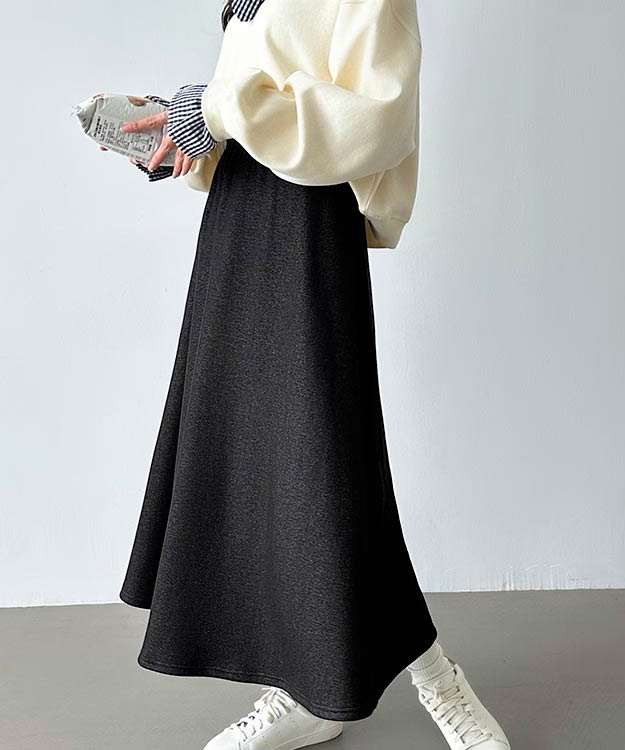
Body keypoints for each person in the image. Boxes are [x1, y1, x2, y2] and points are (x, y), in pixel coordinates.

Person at [116, 1, 511, 748]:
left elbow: (379, 118)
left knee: (328, 469)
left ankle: (437, 680)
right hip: (237, 215)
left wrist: (218, 107)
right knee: (263, 464)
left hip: (308, 220)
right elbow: (253, 95)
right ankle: (311, 693)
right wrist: (184, 133)